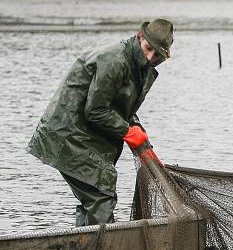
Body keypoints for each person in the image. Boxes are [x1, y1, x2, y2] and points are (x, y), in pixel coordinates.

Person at [27, 19, 174, 226]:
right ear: (140, 36)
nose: (151, 57)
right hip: (66, 135)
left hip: (86, 136)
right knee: (101, 195)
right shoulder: (115, 60)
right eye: (149, 49)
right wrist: (127, 131)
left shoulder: (140, 66)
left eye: (158, 54)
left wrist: (144, 143)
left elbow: (123, 108)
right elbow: (95, 111)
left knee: (93, 198)